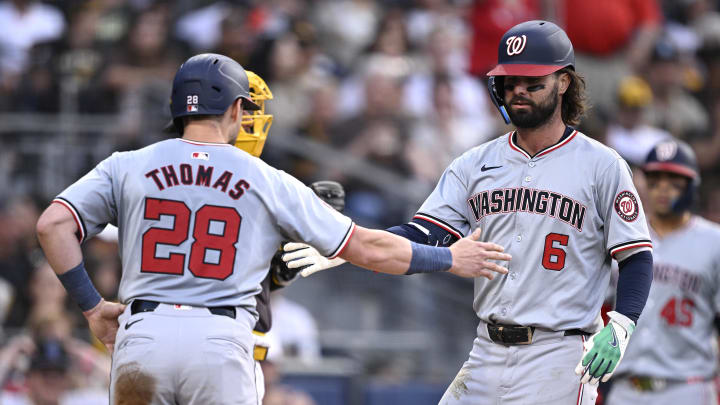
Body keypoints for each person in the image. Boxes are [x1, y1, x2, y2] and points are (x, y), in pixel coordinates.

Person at [35, 53, 511, 405]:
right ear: (237, 109)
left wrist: (92, 306)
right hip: (219, 340)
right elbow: (366, 248)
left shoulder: (128, 165)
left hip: (144, 334)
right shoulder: (264, 178)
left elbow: (53, 224)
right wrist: (448, 256)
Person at [282, 21, 655, 405]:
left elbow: (636, 256)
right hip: (486, 349)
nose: (519, 91)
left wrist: (622, 325)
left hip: (558, 353)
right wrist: (351, 244)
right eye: (510, 82)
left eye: (532, 82)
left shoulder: (602, 165)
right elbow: (424, 234)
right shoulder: (475, 163)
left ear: (563, 82)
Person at [606, 139, 720, 404]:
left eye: (674, 181)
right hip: (624, 388)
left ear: (693, 185)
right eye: (655, 179)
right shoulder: (623, 234)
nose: (663, 189)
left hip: (687, 387)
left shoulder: (714, 241)